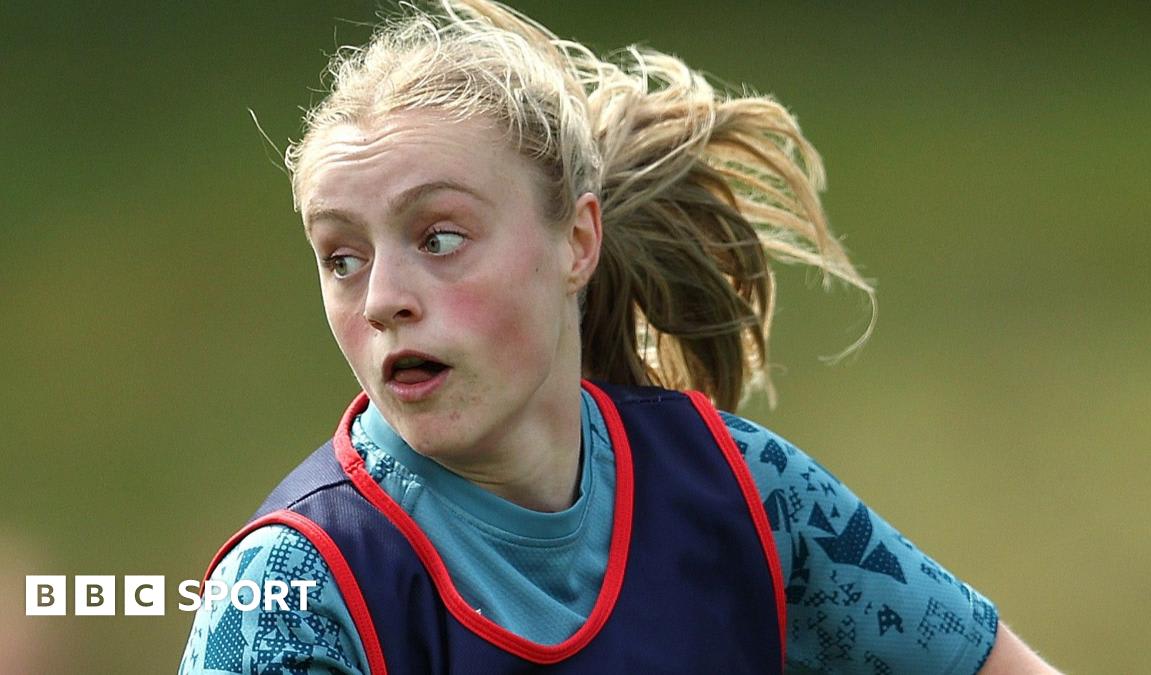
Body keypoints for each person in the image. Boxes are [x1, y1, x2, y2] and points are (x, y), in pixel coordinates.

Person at [179, 1, 1058, 672]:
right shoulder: (291, 599)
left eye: (439, 236)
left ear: (578, 241)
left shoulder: (746, 494)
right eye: (341, 257)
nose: (383, 299)